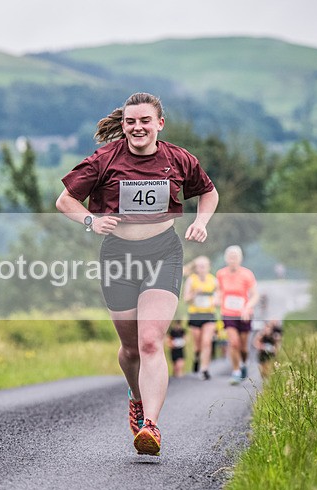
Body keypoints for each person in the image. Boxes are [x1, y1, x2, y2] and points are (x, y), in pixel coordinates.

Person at [56, 92, 218, 456]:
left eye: (145, 120)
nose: (137, 127)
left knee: (150, 342)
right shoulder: (105, 159)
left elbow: (209, 193)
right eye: (131, 121)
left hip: (163, 252)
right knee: (131, 349)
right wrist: (91, 221)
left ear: (160, 123)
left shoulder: (178, 159)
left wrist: (201, 222)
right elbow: (64, 200)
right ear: (124, 124)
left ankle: (151, 425)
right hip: (118, 256)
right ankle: (137, 396)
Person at [216, 245, 259, 385]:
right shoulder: (221, 274)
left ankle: (244, 363)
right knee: (234, 343)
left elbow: (255, 295)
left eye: (235, 257)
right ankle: (236, 371)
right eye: (230, 257)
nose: (232, 260)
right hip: (228, 313)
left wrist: (247, 307)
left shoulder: (247, 274)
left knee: (244, 347)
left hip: (244, 314)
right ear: (226, 259)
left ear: (240, 259)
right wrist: (217, 298)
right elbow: (219, 290)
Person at [183, 255, 218, 380]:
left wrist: (216, 301)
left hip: (209, 314)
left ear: (208, 267)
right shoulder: (191, 280)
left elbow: (219, 296)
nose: (202, 268)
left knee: (206, 342)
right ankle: (197, 356)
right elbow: (186, 299)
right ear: (196, 268)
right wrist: (194, 293)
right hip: (195, 315)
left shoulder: (213, 280)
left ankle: (204, 369)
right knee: (198, 345)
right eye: (199, 266)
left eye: (204, 266)